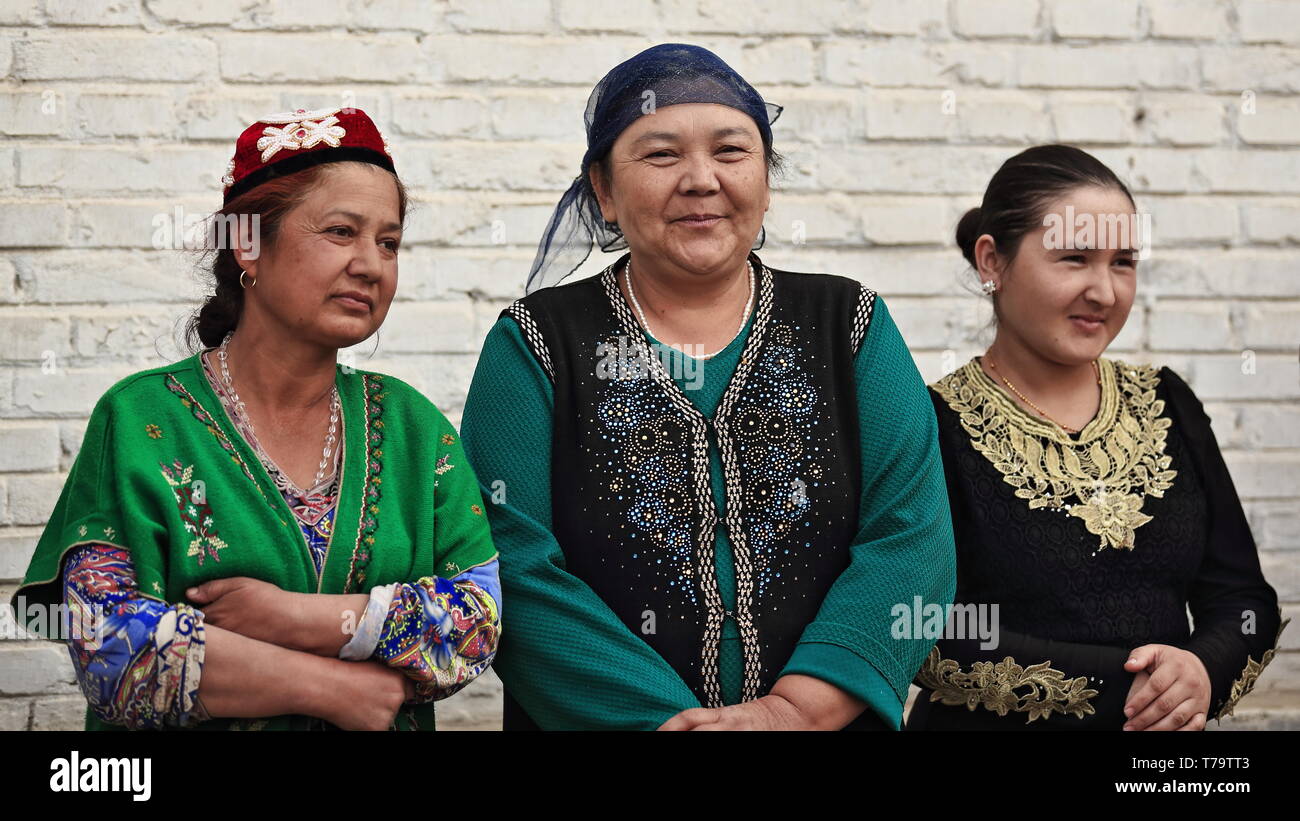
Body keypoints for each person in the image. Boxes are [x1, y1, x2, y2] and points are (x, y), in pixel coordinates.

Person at [460, 43, 956, 731]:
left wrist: (793, 712)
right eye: (661, 155)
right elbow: (511, 562)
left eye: (731, 151)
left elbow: (913, 541)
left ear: (765, 178)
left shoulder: (850, 325)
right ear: (603, 190)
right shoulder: (537, 344)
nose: (701, 179)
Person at [11, 107, 500, 731]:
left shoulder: (413, 427)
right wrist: (337, 689)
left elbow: (478, 624)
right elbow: (110, 646)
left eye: (389, 242)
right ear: (248, 244)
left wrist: (288, 617)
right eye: (340, 232)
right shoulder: (141, 417)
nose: (371, 264)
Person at [907, 144, 1287, 731]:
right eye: (1075, 258)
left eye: (1123, 262)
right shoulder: (928, 423)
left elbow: (1242, 600)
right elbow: (920, 626)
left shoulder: (1168, 402)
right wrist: (1138, 684)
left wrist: (1203, 669)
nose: (1105, 292)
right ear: (992, 262)